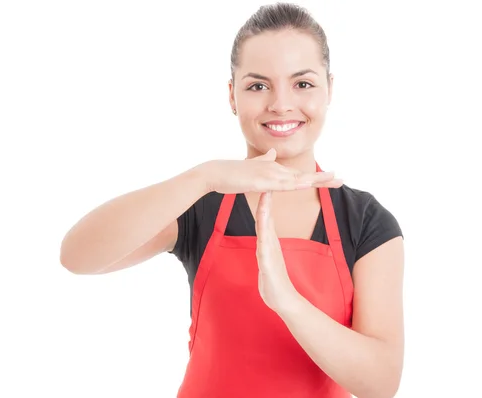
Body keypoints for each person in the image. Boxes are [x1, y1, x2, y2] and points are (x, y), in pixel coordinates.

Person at [60, 3, 405, 397]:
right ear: (232, 96)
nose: (280, 104)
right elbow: (77, 256)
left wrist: (287, 301)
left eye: (302, 84)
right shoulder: (203, 203)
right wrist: (204, 176)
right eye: (258, 86)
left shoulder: (366, 221)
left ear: (329, 90)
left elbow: (381, 383)